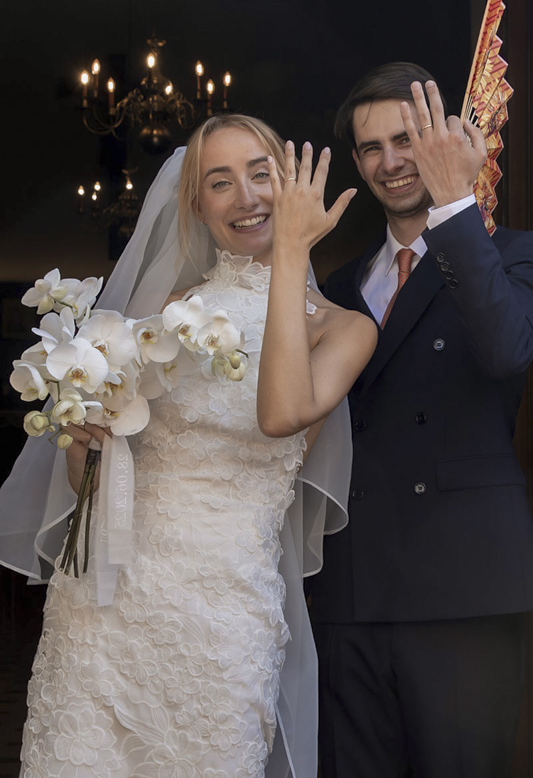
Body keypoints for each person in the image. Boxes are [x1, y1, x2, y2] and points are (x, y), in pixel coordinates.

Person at [1, 114, 376, 777]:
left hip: (225, 608)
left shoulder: (342, 330)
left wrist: (289, 257)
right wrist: (81, 440)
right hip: (109, 597)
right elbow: (91, 469)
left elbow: (281, 413)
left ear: (290, 187)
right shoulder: (158, 317)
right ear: (196, 205)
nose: (247, 197)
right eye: (220, 182)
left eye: (262, 175)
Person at [308, 62, 533, 778]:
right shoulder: (335, 286)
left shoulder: (509, 255)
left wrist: (453, 205)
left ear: (445, 141)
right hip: (346, 584)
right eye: (370, 147)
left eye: (405, 139)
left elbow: (505, 352)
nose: (389, 161)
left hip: (462, 586)